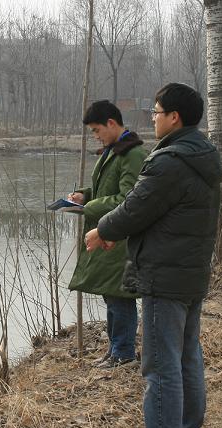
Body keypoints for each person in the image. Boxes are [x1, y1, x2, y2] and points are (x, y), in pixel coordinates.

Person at [85, 83, 222, 428]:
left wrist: (103, 230)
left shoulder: (169, 161)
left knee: (161, 364)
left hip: (165, 274)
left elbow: (136, 207)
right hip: (191, 272)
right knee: (187, 356)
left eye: (157, 112)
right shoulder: (204, 154)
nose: (153, 118)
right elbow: (162, 211)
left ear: (174, 117)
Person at [68, 100, 147, 368]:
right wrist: (84, 195)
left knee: (120, 296)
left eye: (96, 130)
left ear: (111, 123)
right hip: (110, 232)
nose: (95, 136)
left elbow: (128, 198)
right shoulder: (114, 150)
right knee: (110, 294)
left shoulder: (132, 154)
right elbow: (106, 190)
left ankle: (123, 353)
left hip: (121, 236)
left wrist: (88, 206)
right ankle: (114, 350)